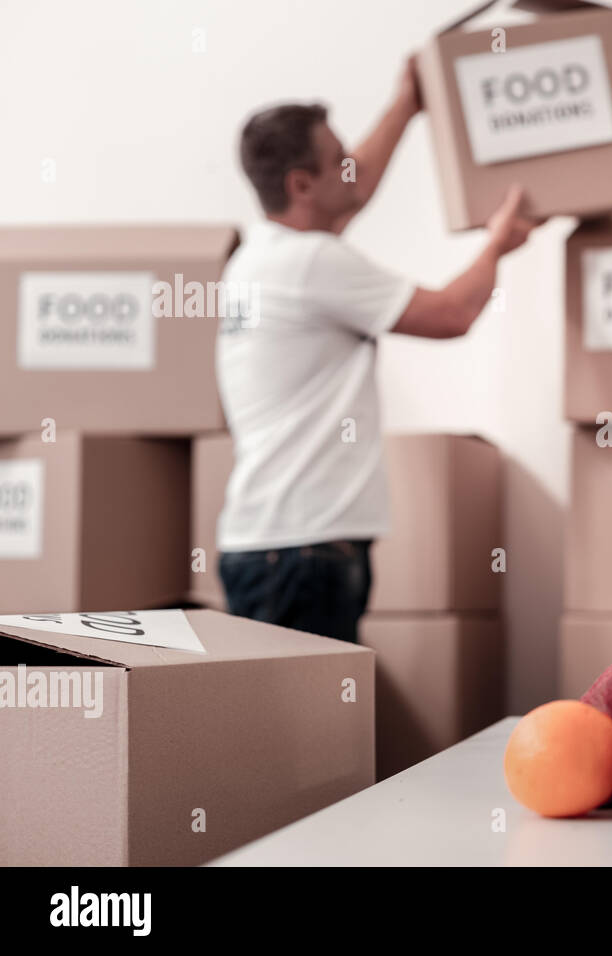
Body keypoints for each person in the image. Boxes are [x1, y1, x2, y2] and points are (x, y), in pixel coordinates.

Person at [216, 57, 540, 642]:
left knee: (283, 726)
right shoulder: (309, 262)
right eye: (337, 160)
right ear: (301, 185)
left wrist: (405, 102)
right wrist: (499, 245)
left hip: (271, 545)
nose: (352, 168)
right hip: (302, 552)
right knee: (312, 732)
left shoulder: (261, 259)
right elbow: (451, 314)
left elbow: (354, 185)